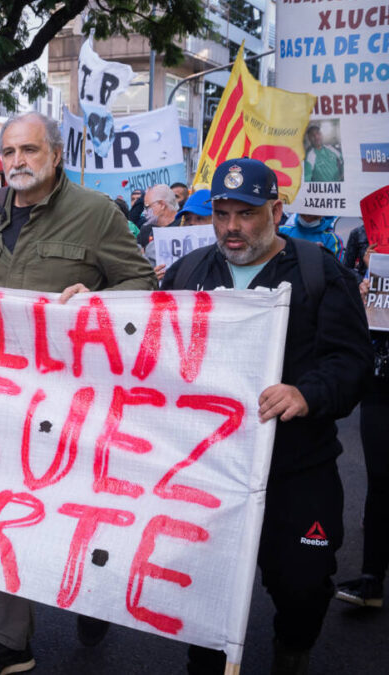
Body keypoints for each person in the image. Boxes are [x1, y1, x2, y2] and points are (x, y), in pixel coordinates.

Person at [0, 112, 156, 674]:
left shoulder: (97, 214)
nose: (17, 160)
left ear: (55, 154)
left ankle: (93, 597)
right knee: (2, 511)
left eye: (29, 149)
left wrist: (96, 304)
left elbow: (142, 283)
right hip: (0, 398)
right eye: (9, 151)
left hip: (75, 400)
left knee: (76, 515)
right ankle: (10, 643)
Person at [160, 157, 371, 674]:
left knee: (302, 583)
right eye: (222, 213)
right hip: (209, 472)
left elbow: (351, 361)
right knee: (202, 586)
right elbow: (154, 353)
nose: (232, 227)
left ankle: (291, 648)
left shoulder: (320, 272)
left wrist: (306, 393)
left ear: (276, 210)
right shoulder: (189, 274)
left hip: (298, 467)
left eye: (247, 214)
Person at [335, 245, 389, 608]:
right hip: (383, 383)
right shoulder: (375, 250)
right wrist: (363, 299)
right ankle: (372, 580)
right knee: (382, 480)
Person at [280, 213, 344, 262]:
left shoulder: (333, 240)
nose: (308, 219)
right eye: (304, 215)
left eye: (314, 216)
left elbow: (336, 272)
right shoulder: (281, 231)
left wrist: (323, 256)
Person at [136, 183, 180, 248]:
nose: (144, 212)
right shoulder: (146, 231)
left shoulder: (185, 224)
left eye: (147, 207)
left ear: (162, 205)